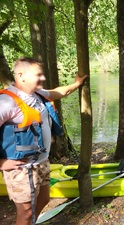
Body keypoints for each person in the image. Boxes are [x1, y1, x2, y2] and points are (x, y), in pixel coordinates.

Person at [0, 57, 87, 225]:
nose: (43, 78)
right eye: (38, 75)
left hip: (41, 162)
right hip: (22, 169)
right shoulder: (6, 102)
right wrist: (1, 162)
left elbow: (57, 92)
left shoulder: (37, 94)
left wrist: (76, 84)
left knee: (44, 199)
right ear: (21, 75)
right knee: (25, 213)